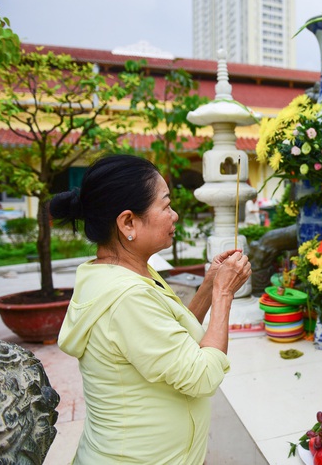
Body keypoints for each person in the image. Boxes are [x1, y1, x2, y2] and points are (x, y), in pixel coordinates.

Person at [50, 154, 251, 464]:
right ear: (128, 222)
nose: (175, 215)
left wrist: (209, 286)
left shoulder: (122, 271)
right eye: (166, 205)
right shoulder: (126, 298)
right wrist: (224, 293)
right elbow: (202, 375)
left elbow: (171, 338)